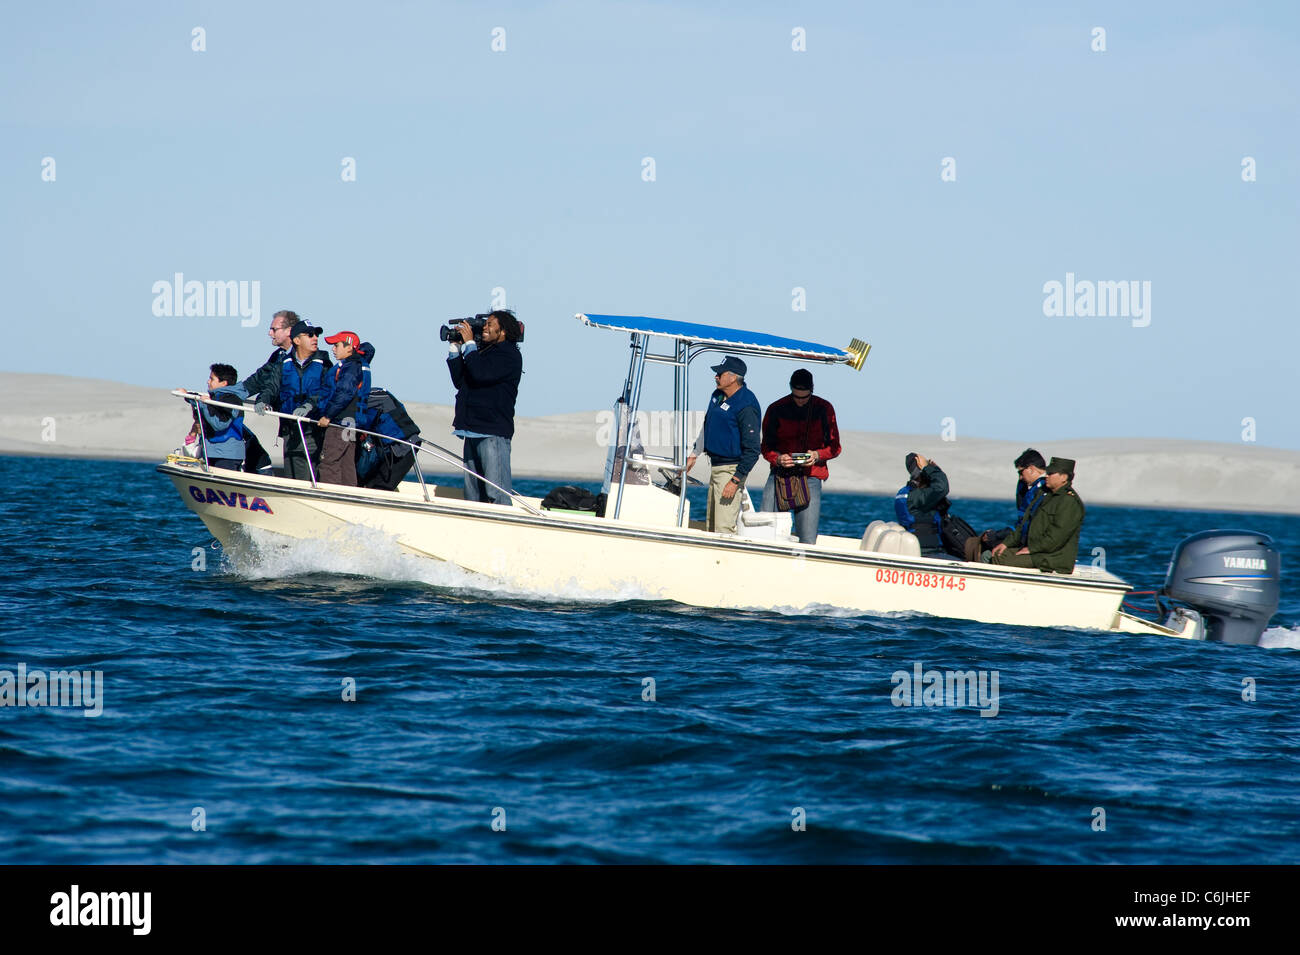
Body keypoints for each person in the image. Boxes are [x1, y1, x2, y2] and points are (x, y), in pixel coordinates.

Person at [446, 309, 523, 505]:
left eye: (489, 324)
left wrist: (470, 344)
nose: (484, 328)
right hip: (472, 429)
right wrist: (455, 349)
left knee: (496, 493)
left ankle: (503, 522)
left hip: (492, 432)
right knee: (473, 495)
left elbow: (481, 374)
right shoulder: (483, 352)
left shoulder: (509, 355)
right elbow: (461, 381)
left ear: (503, 331)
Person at [759, 368, 841, 544]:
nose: (801, 401)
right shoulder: (775, 408)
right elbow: (765, 447)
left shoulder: (825, 409)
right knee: (766, 531)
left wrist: (817, 455)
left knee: (807, 539)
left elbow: (835, 447)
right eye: (796, 397)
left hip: (811, 476)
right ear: (790, 388)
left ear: (812, 389)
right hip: (780, 476)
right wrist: (778, 458)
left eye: (805, 397)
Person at [685, 355, 761, 534]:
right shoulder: (717, 395)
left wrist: (735, 480)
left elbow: (753, 450)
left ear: (733, 377)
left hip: (730, 470)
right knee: (711, 525)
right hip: (716, 467)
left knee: (723, 527)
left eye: (720, 373)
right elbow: (707, 425)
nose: (716, 376)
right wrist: (694, 454)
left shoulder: (746, 404)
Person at [990, 457, 1085, 573]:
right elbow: (1025, 523)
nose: (1046, 476)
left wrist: (1031, 549)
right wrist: (1006, 543)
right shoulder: (1044, 494)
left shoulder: (1069, 502)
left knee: (1002, 559)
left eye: (1051, 474)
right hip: (1038, 552)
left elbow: (1056, 538)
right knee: (998, 553)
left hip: (1053, 558)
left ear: (1064, 477)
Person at [965, 448, 1048, 561]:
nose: (1020, 477)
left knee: (987, 555)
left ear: (1031, 469)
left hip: (1034, 546)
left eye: (1021, 472)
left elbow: (1026, 524)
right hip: (1026, 540)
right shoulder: (1032, 488)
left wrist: (997, 536)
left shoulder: (1040, 491)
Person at [277, 319, 333, 480]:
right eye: (310, 335)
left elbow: (327, 391)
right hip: (289, 429)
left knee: (307, 476)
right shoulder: (283, 363)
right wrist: (263, 399)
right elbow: (270, 385)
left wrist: (309, 405)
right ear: (296, 340)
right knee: (290, 476)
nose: (315, 338)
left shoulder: (325, 365)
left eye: (316, 334)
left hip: (312, 430)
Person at [316, 331, 367, 487]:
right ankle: (349, 495)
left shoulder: (350, 368)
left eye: (336, 345)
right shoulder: (356, 366)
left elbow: (344, 392)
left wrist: (327, 416)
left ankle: (329, 496)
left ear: (349, 347)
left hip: (339, 423)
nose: (333, 349)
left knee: (329, 461)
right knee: (346, 463)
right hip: (349, 423)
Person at [893, 452, 949, 557]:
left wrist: (934, 469)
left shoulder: (906, 493)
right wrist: (931, 469)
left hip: (923, 549)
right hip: (927, 552)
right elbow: (941, 488)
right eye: (926, 466)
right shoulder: (916, 497)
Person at [195, 363, 246, 470]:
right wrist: (188, 395)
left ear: (223, 383)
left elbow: (220, 424)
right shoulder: (216, 398)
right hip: (212, 452)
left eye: (212, 379)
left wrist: (204, 404)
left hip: (226, 456)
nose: (208, 382)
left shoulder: (232, 400)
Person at [241, 309, 298, 402]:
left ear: (289, 331)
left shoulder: (302, 356)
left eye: (274, 329)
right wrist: (226, 393)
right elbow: (257, 381)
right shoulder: (278, 355)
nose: (269, 333)